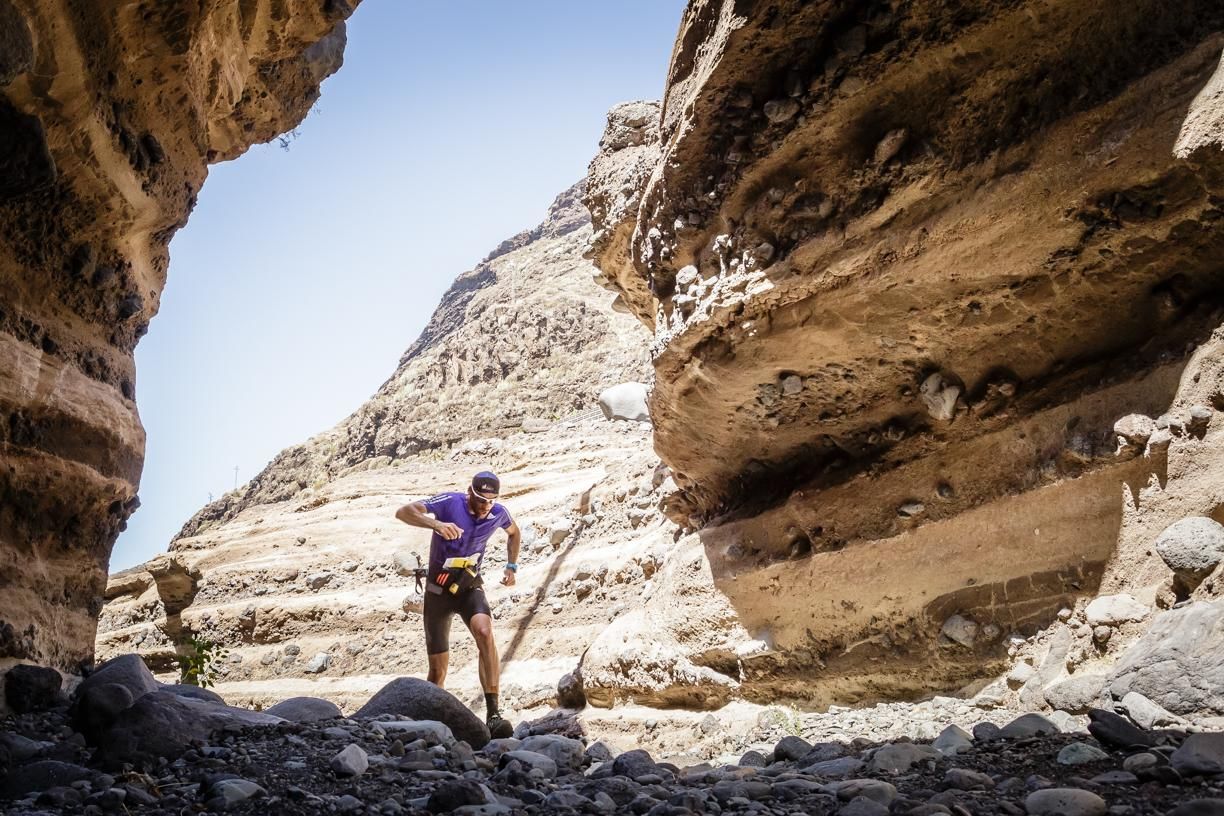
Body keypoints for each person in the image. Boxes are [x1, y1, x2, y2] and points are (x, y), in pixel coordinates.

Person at [395, 470, 520, 738]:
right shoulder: (450, 502)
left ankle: (493, 714)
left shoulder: (499, 513)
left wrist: (511, 565)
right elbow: (403, 512)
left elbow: (514, 532)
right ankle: (430, 727)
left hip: (468, 587)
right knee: (437, 671)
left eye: (491, 501)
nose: (485, 507)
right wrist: (437, 526)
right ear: (469, 493)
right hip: (438, 592)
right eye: (479, 500)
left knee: (485, 632)